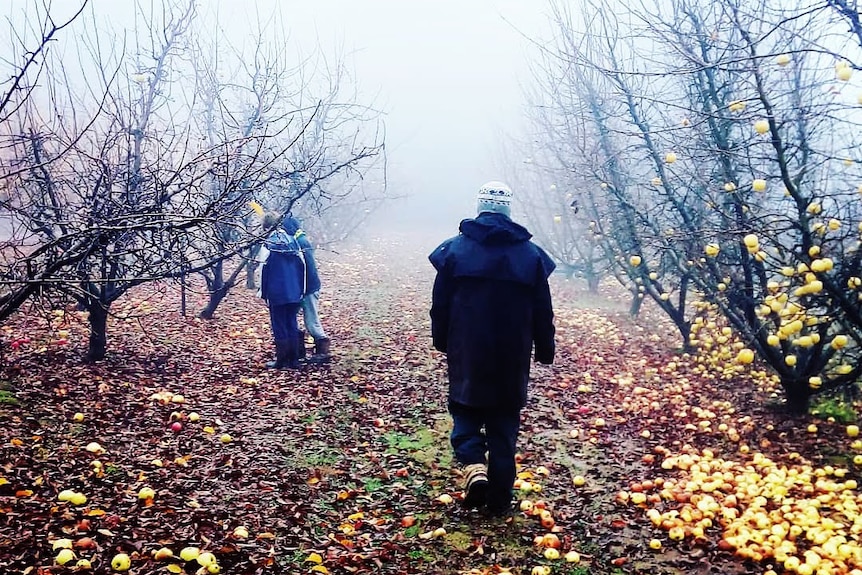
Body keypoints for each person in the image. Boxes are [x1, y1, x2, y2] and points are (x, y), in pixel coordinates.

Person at [428, 181, 556, 517]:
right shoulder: (531, 257)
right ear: (508, 210)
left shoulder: (454, 252)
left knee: (465, 412)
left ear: (480, 207)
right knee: (503, 427)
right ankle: (499, 504)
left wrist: (442, 340)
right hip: (511, 358)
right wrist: (545, 348)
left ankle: (474, 466)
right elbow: (543, 311)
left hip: (467, 351)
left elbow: (439, 305)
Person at [259, 213, 307, 369]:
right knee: (291, 323)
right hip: (294, 291)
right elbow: (302, 267)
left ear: (266, 226)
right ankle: (294, 361)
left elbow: (262, 270)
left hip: (276, 292)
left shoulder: (267, 244)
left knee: (279, 325)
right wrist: (302, 290)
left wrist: (263, 293)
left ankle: (282, 361)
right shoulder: (294, 241)